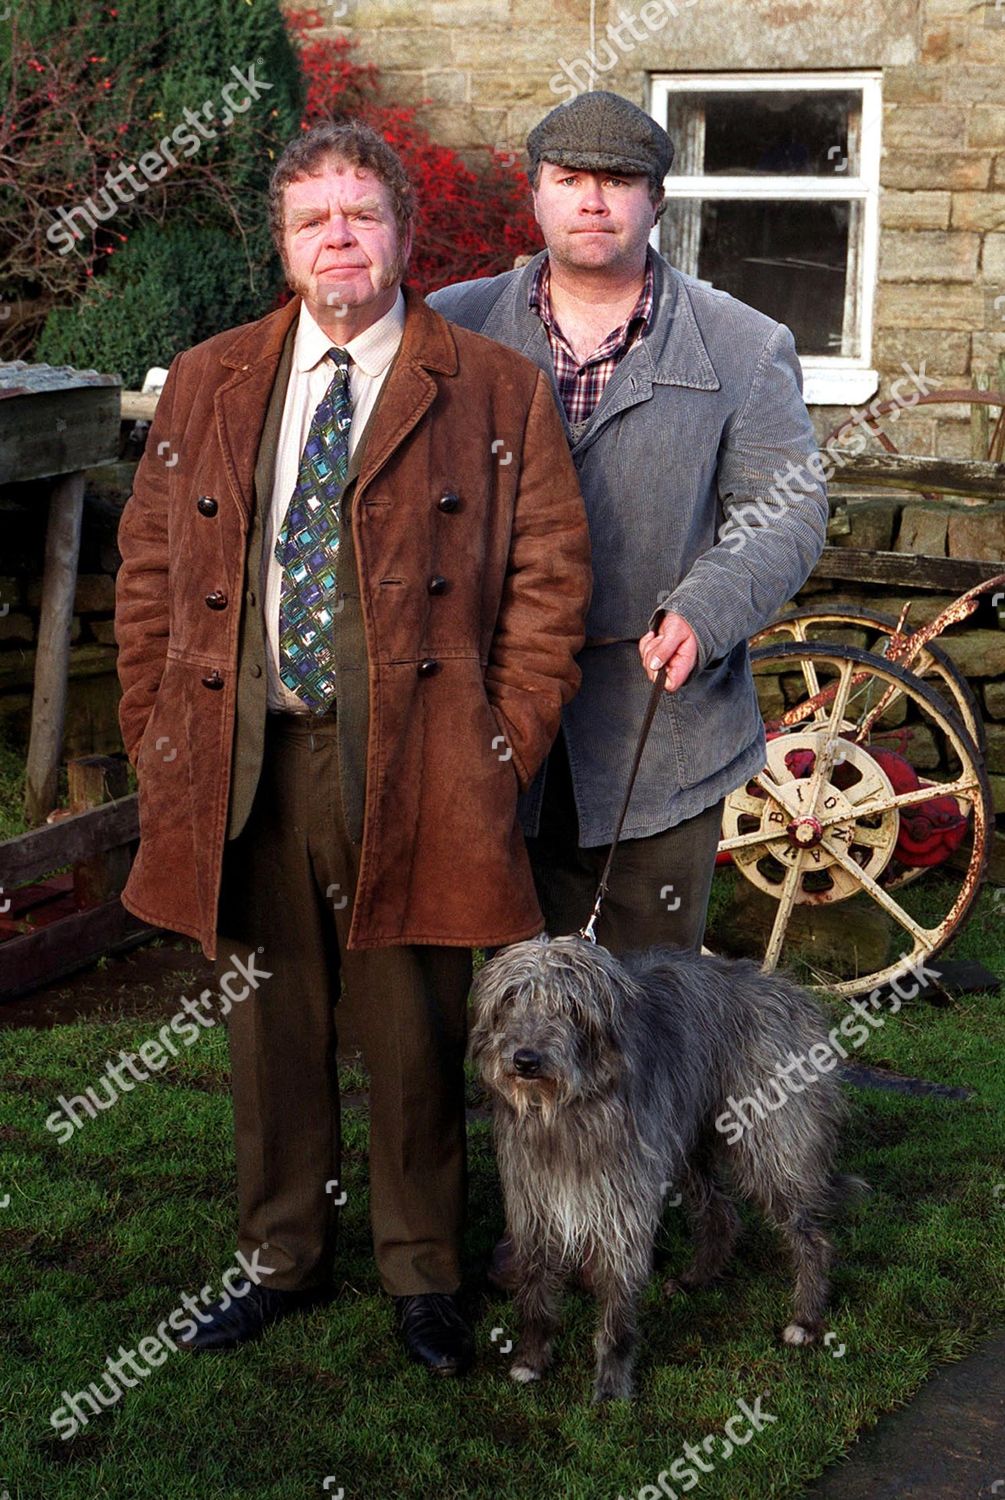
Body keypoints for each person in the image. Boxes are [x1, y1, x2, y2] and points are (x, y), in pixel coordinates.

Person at [114, 120, 591, 1377]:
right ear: (284, 245)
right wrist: (157, 733)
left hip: (420, 760)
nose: (340, 238)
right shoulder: (210, 376)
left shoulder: (491, 384)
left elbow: (549, 585)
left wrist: (500, 745)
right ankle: (281, 1257)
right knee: (268, 1026)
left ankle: (424, 1277)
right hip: (248, 755)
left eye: (362, 215)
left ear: (402, 234)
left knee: (419, 1033)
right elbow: (152, 569)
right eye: (314, 219)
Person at [427, 90, 829, 1292]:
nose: (591, 199)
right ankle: (520, 1233)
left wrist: (704, 609)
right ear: (535, 193)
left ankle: (655, 1225)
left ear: (657, 199)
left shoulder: (742, 343)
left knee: (644, 1023)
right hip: (488, 731)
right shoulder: (451, 326)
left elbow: (787, 506)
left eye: (618, 180)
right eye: (566, 177)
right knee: (506, 1016)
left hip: (660, 738)